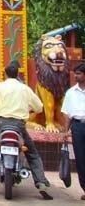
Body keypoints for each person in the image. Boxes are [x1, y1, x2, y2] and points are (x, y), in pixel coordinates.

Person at [0, 63, 50, 193]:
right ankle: (41, 182)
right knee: (32, 153)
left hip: (0, 124)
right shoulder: (25, 88)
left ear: (5, 74)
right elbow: (39, 107)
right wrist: (28, 110)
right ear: (17, 74)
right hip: (19, 126)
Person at [61, 63, 85, 200]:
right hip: (77, 127)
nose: (76, 76)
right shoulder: (71, 92)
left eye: (79, 73)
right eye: (75, 73)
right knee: (81, 158)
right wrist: (66, 131)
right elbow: (67, 114)